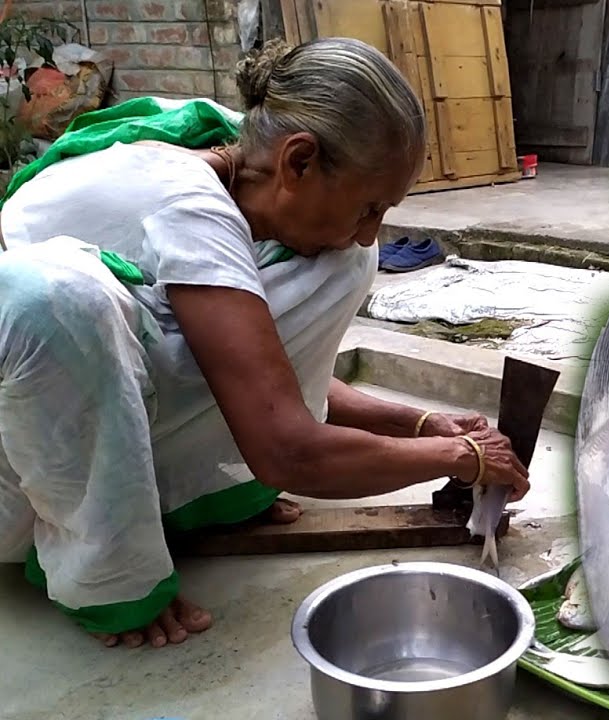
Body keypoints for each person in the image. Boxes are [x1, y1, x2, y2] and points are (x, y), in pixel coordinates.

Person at [0, 37, 531, 650]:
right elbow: (288, 451)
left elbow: (249, 370)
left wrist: (420, 423)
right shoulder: (187, 207)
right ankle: (106, 571)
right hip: (24, 472)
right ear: (299, 163)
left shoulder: (243, 156)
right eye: (369, 206)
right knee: (58, 306)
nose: (372, 232)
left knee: (342, 265)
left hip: (99, 409)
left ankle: (205, 495)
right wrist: (459, 457)